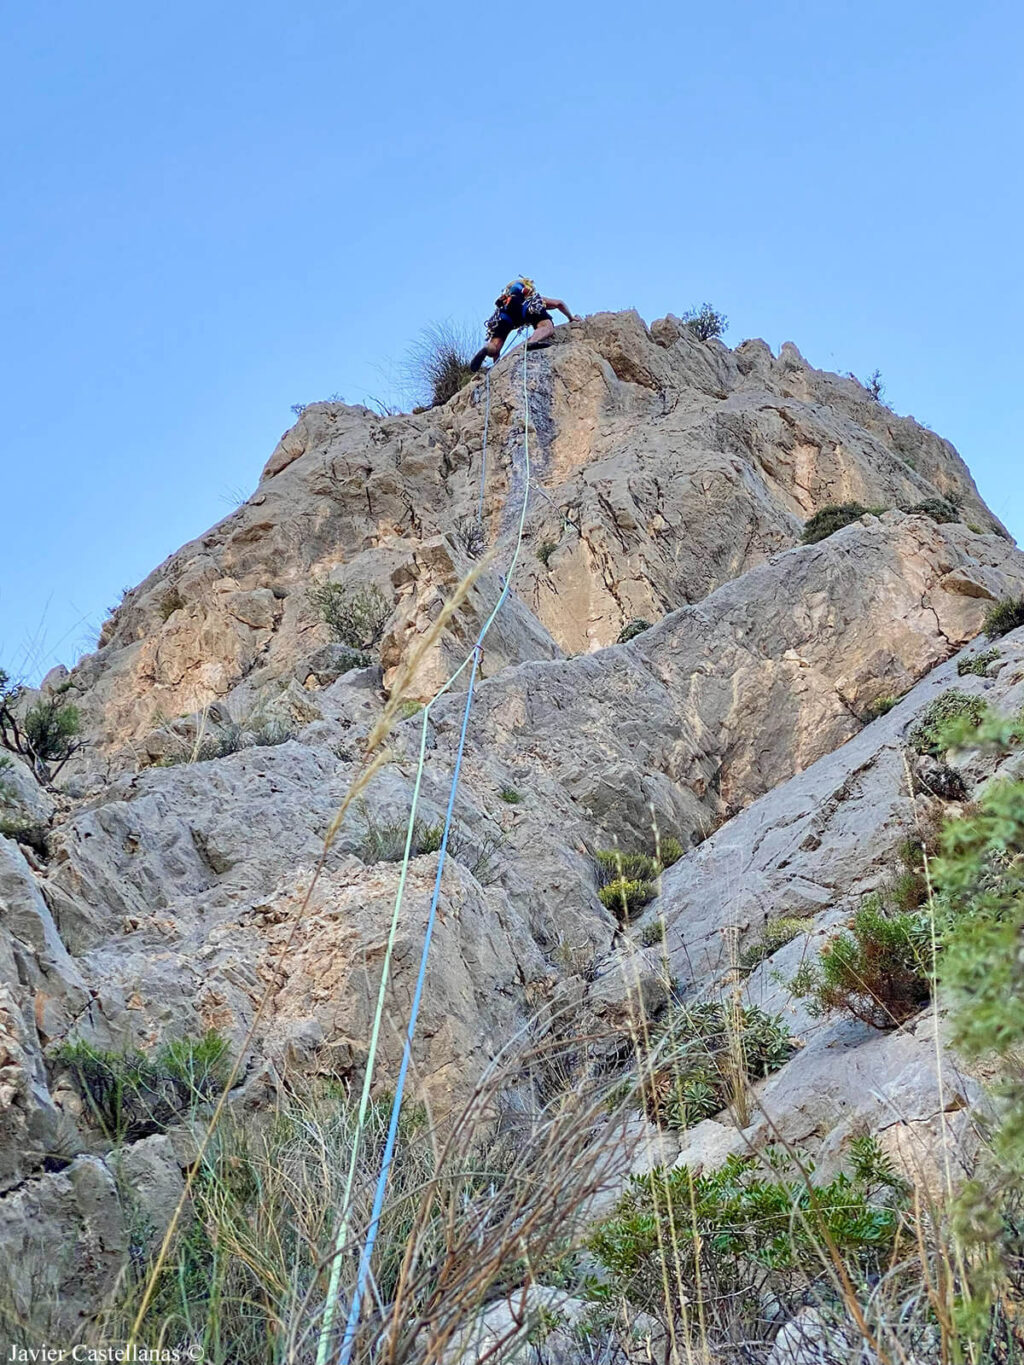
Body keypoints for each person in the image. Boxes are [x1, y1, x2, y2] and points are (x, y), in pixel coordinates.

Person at [469, 278, 576, 372]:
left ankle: (486, 349)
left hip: (504, 316)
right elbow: (559, 304)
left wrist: (496, 366)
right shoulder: (531, 299)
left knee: (495, 346)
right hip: (526, 307)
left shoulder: (506, 302)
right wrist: (571, 318)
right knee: (546, 326)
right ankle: (532, 342)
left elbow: (496, 353)